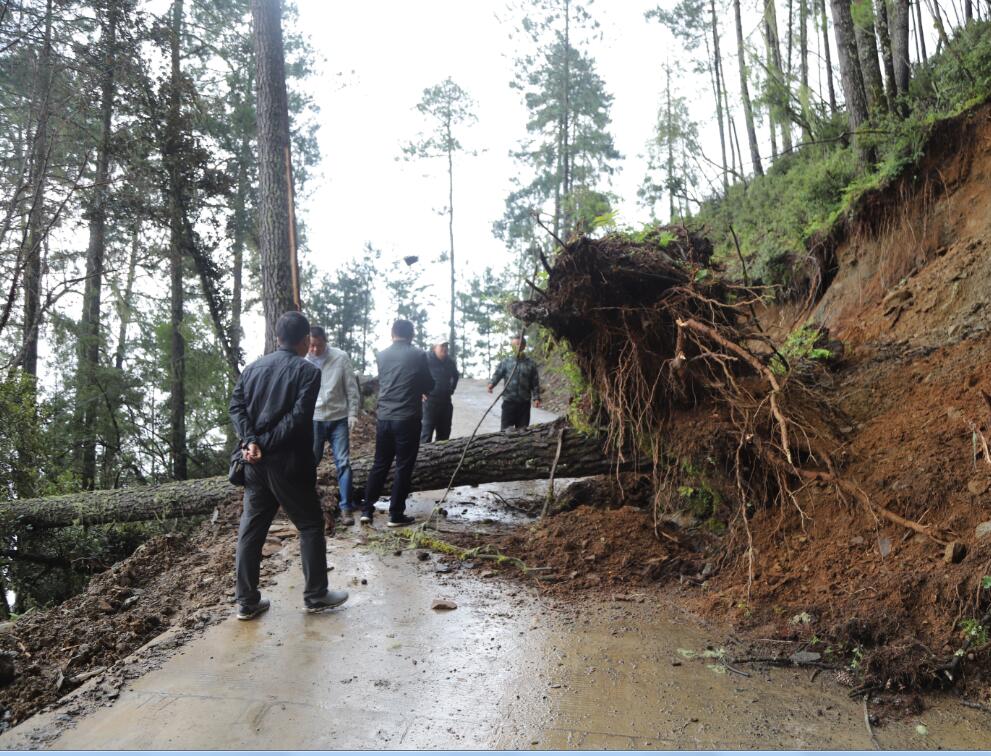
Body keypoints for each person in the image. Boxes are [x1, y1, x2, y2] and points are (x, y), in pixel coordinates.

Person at [229, 311, 349, 620]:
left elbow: (236, 408)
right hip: (289, 464)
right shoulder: (308, 372)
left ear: (277, 337)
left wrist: (251, 442)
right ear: (305, 340)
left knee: (251, 530)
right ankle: (316, 595)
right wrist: (261, 443)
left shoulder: (252, 368)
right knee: (309, 525)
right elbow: (297, 419)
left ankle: (247, 602)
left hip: (254, 464)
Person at [361, 319, 434, 528]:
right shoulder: (418, 354)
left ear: (392, 334)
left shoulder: (381, 355)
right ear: (411, 335)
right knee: (403, 466)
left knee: (380, 464)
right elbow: (428, 383)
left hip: (384, 417)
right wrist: (421, 390)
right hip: (407, 418)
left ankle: (367, 510)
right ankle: (395, 514)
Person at [306, 326, 361, 526]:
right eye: (311, 345)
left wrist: (353, 413)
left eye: (319, 345)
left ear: (325, 342)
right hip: (315, 418)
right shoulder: (303, 360)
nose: (315, 349)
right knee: (310, 462)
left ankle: (346, 508)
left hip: (338, 417)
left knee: (343, 462)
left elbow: (351, 387)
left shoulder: (340, 357)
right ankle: (308, 506)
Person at [487, 335, 542, 431]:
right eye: (514, 345)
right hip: (509, 402)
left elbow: (535, 382)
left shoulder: (530, 364)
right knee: (505, 431)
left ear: (524, 346)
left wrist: (536, 398)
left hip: (524, 403)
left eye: (518, 344)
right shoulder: (506, 362)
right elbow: (498, 374)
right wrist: (491, 384)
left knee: (523, 431)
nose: (517, 347)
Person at [421, 340, 460, 443]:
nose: (445, 348)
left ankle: (441, 453)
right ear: (434, 348)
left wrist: (452, 389)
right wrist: (419, 391)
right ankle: (423, 453)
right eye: (442, 346)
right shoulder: (425, 359)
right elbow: (415, 374)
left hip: (446, 402)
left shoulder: (450, 361)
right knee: (426, 434)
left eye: (446, 346)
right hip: (429, 402)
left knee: (444, 435)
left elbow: (455, 376)